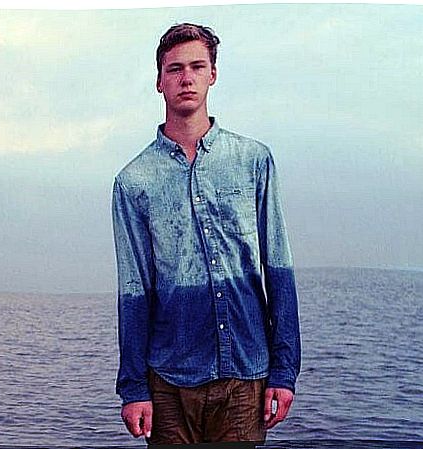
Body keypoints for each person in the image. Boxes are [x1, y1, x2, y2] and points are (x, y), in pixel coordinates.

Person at [111, 22, 301, 445]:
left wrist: (285, 371)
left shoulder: (254, 161)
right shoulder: (133, 181)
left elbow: (279, 269)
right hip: (169, 382)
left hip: (246, 374)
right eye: (175, 69)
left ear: (213, 74)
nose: (187, 77)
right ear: (159, 81)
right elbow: (133, 290)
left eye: (197, 66)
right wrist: (134, 389)